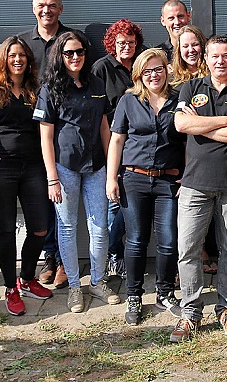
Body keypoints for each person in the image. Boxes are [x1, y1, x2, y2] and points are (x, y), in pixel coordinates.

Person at [170, 34, 227, 343]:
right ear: (205, 59)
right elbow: (182, 125)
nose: (220, 61)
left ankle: (226, 309)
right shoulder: (191, 87)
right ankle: (190, 313)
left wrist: (205, 127)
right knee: (188, 249)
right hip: (195, 183)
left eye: (225, 55)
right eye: (214, 56)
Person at [34, 31, 121, 313]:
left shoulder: (96, 83)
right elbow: (45, 137)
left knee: (99, 227)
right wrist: (52, 178)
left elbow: (105, 127)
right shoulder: (50, 88)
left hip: (96, 166)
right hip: (65, 167)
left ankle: (97, 281)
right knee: (67, 227)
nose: (75, 57)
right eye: (69, 53)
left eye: (79, 52)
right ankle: (74, 286)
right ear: (59, 56)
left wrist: (112, 167)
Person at [0, 36, 53, 317]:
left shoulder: (35, 89)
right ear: (4, 59)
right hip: (0, 168)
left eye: (22, 55)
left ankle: (27, 278)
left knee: (40, 228)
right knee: (6, 230)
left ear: (28, 59)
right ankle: (10, 288)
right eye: (12, 55)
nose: (17, 60)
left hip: (32, 167)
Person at [107, 49, 186, 325]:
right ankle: (134, 295)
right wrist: (111, 178)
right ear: (139, 75)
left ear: (167, 70)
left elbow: (189, 140)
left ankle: (165, 293)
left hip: (168, 180)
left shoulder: (179, 99)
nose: (154, 75)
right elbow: (117, 140)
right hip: (134, 179)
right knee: (136, 239)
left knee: (168, 240)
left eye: (159, 69)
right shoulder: (128, 101)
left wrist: (187, 174)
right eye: (148, 71)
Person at [19, 0, 85, 290]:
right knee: (45, 198)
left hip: (66, 135)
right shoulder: (23, 43)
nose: (46, 10)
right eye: (41, 5)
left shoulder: (73, 40)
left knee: (62, 200)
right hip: (32, 132)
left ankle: (61, 262)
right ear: (34, 8)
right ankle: (50, 257)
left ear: (61, 8)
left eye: (52, 5)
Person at [92, 19, 145, 280]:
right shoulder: (101, 68)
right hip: (113, 143)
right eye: (121, 42)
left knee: (129, 204)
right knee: (115, 204)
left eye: (131, 42)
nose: (126, 47)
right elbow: (97, 109)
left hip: (140, 144)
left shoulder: (141, 66)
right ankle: (114, 255)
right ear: (112, 43)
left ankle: (119, 252)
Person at [168, 25, 218, 275]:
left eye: (195, 44)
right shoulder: (171, 79)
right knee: (184, 211)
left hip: (207, 150)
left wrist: (197, 122)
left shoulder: (214, 76)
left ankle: (207, 252)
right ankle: (189, 261)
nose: (190, 50)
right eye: (185, 46)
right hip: (176, 150)